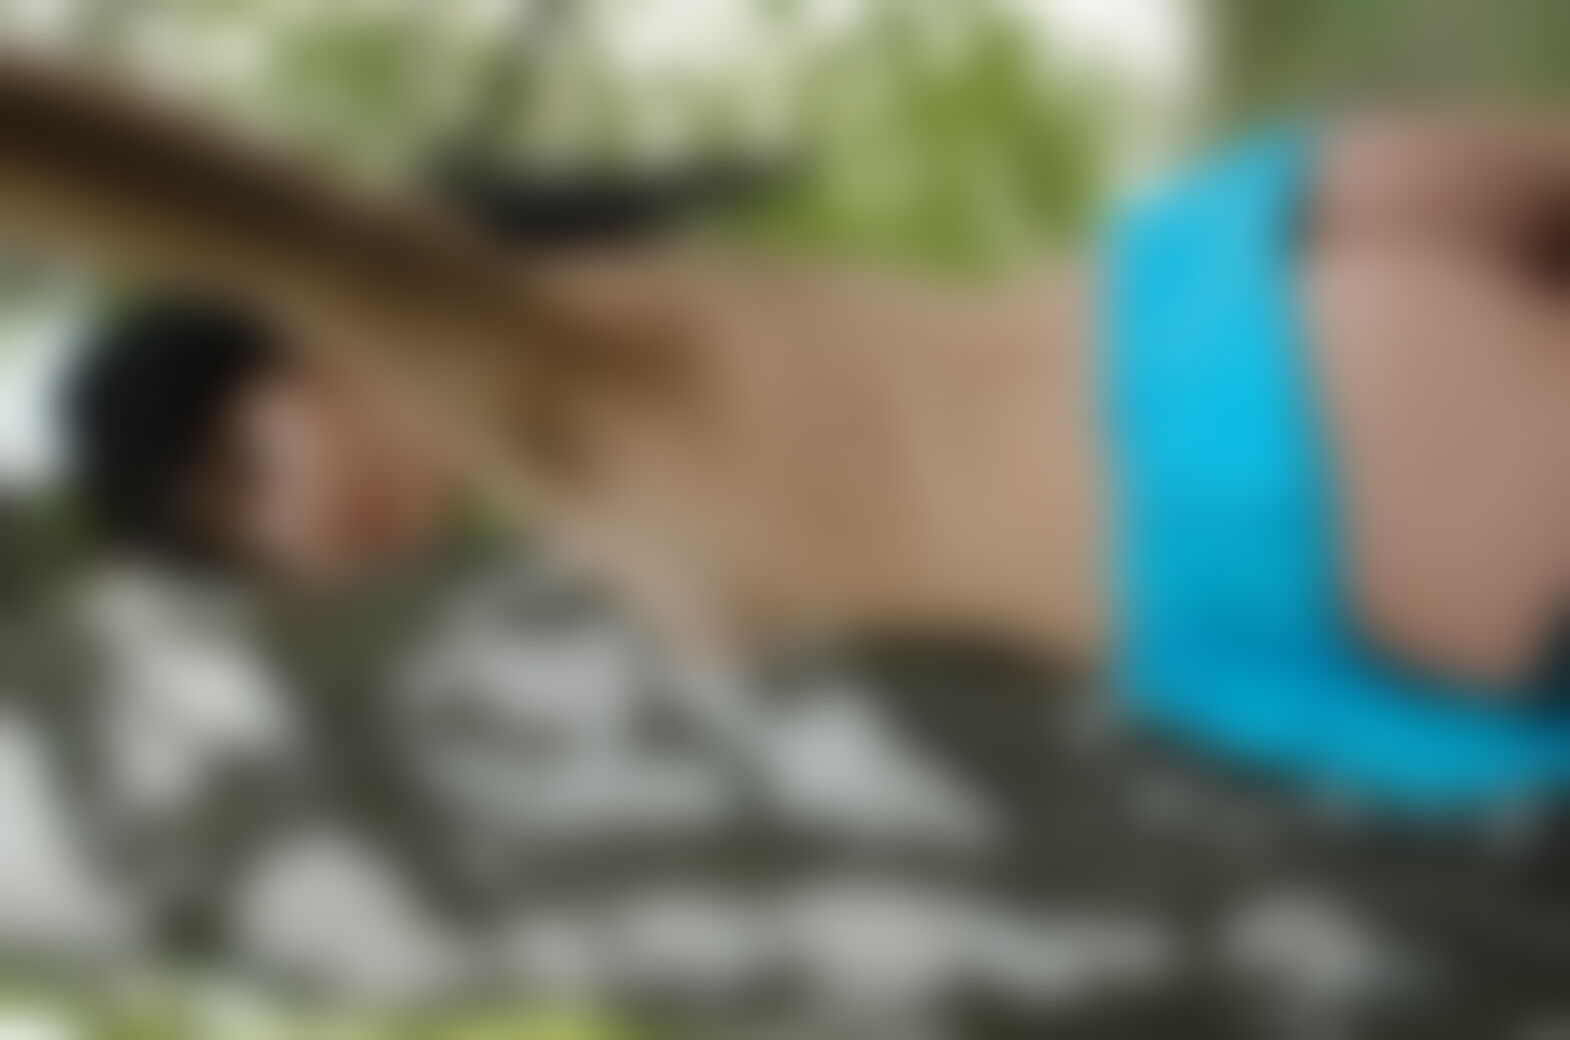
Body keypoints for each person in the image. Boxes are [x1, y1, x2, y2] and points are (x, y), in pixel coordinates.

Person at [16, 52, 1570, 812]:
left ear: (281, 350)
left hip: (1260, 459)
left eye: (241, 467)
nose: (288, 528)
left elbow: (244, 214)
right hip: (1233, 267)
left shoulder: (533, 390)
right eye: (245, 543)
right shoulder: (602, 335)